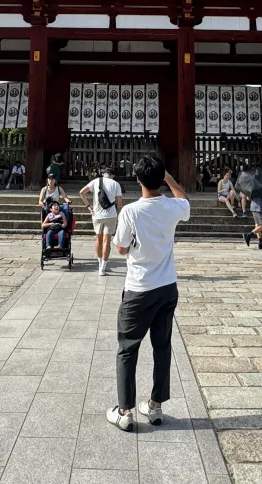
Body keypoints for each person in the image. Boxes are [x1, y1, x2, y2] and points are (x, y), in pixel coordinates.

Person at [107, 156, 190, 433]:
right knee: (162, 346)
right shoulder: (172, 207)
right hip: (167, 286)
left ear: (137, 180)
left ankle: (125, 411)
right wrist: (168, 177)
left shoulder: (130, 211)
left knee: (128, 348)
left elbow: (119, 249)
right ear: (160, 179)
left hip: (139, 288)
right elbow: (184, 197)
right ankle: (155, 406)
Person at [80, 166, 124, 276]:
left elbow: (81, 192)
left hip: (97, 215)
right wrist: (117, 209)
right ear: (113, 175)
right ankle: (103, 268)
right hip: (111, 215)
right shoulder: (116, 184)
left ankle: (99, 263)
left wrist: (89, 206)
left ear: (103, 174)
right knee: (107, 240)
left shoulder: (95, 181)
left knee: (98, 240)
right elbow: (119, 203)